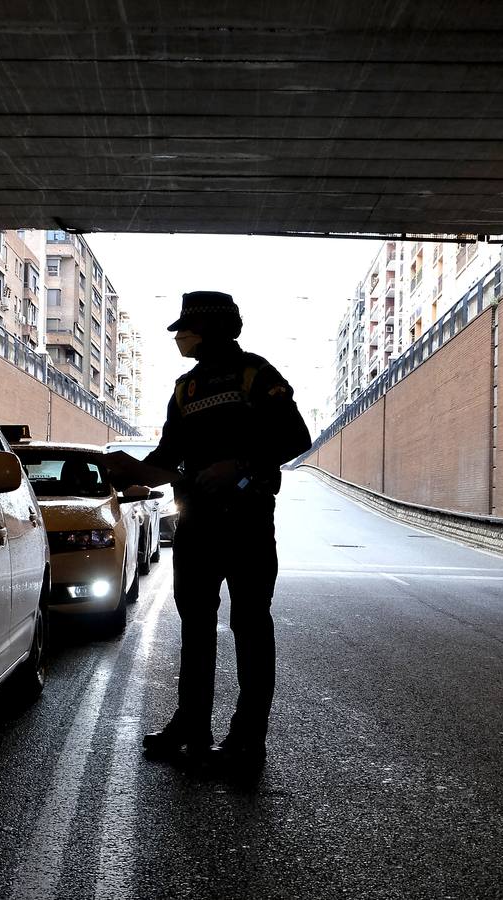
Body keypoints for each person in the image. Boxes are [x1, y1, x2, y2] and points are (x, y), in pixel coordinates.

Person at [140, 290, 312, 771]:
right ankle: (192, 725)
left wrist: (240, 466)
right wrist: (132, 472)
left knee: (250, 628)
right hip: (196, 525)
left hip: (246, 523)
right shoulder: (184, 389)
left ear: (213, 330)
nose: (180, 338)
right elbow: (166, 456)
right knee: (196, 627)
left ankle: (245, 741)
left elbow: (297, 438)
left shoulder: (256, 375)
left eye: (187, 329)